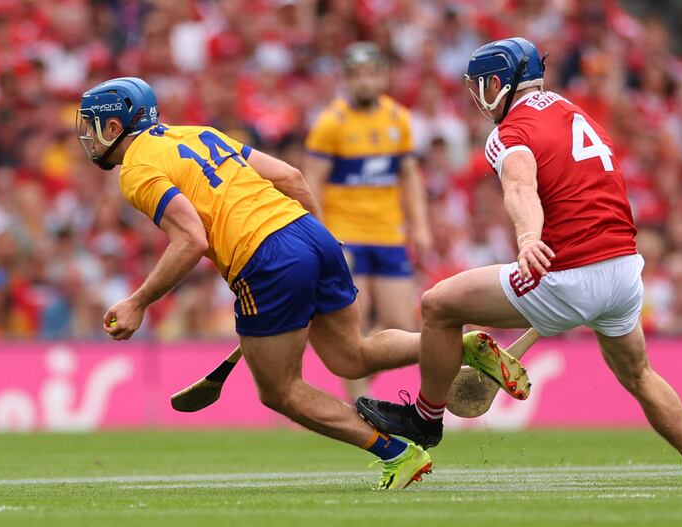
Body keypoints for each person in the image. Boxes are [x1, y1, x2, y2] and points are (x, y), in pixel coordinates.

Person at [356, 38, 682, 485]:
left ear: (500, 83)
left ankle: (425, 419)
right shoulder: (575, 112)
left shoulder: (510, 131)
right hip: (624, 271)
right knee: (639, 374)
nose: (477, 94)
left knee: (438, 304)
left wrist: (528, 237)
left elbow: (520, 185)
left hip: (568, 272)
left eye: (481, 84)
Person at [75, 77, 432, 489]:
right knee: (352, 356)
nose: (87, 137)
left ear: (114, 127)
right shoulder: (198, 133)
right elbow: (292, 178)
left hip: (264, 258)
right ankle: (456, 344)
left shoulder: (137, 170)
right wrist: (320, 239)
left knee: (279, 391)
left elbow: (191, 240)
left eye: (92, 126)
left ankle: (397, 453)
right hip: (311, 232)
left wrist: (138, 302)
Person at [303, 42, 432, 401]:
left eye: (371, 74)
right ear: (346, 79)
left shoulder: (398, 118)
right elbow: (311, 182)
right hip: (345, 237)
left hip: (389, 235)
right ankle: (359, 407)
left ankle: (358, 377)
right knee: (353, 327)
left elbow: (409, 176)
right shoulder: (331, 123)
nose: (364, 81)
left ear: (383, 77)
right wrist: (321, 236)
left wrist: (420, 226)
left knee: (402, 324)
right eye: (357, 75)